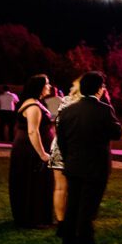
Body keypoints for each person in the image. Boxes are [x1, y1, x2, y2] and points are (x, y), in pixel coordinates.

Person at [56, 71, 122, 244]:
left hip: (74, 165)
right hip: (95, 168)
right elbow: (117, 132)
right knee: (87, 211)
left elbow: (62, 140)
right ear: (100, 89)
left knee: (73, 207)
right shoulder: (103, 109)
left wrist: (70, 158)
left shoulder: (68, 110)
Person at [8, 74, 54, 228]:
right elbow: (33, 131)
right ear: (39, 87)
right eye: (47, 84)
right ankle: (32, 219)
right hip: (30, 151)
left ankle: (35, 217)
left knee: (36, 182)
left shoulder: (36, 103)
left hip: (29, 149)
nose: (49, 86)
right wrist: (42, 154)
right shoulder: (33, 107)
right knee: (33, 182)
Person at [47, 80, 81, 223]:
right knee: (76, 188)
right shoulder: (82, 105)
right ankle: (73, 219)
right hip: (75, 148)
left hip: (59, 145)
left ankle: (61, 221)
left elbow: (55, 122)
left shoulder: (63, 101)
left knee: (60, 188)